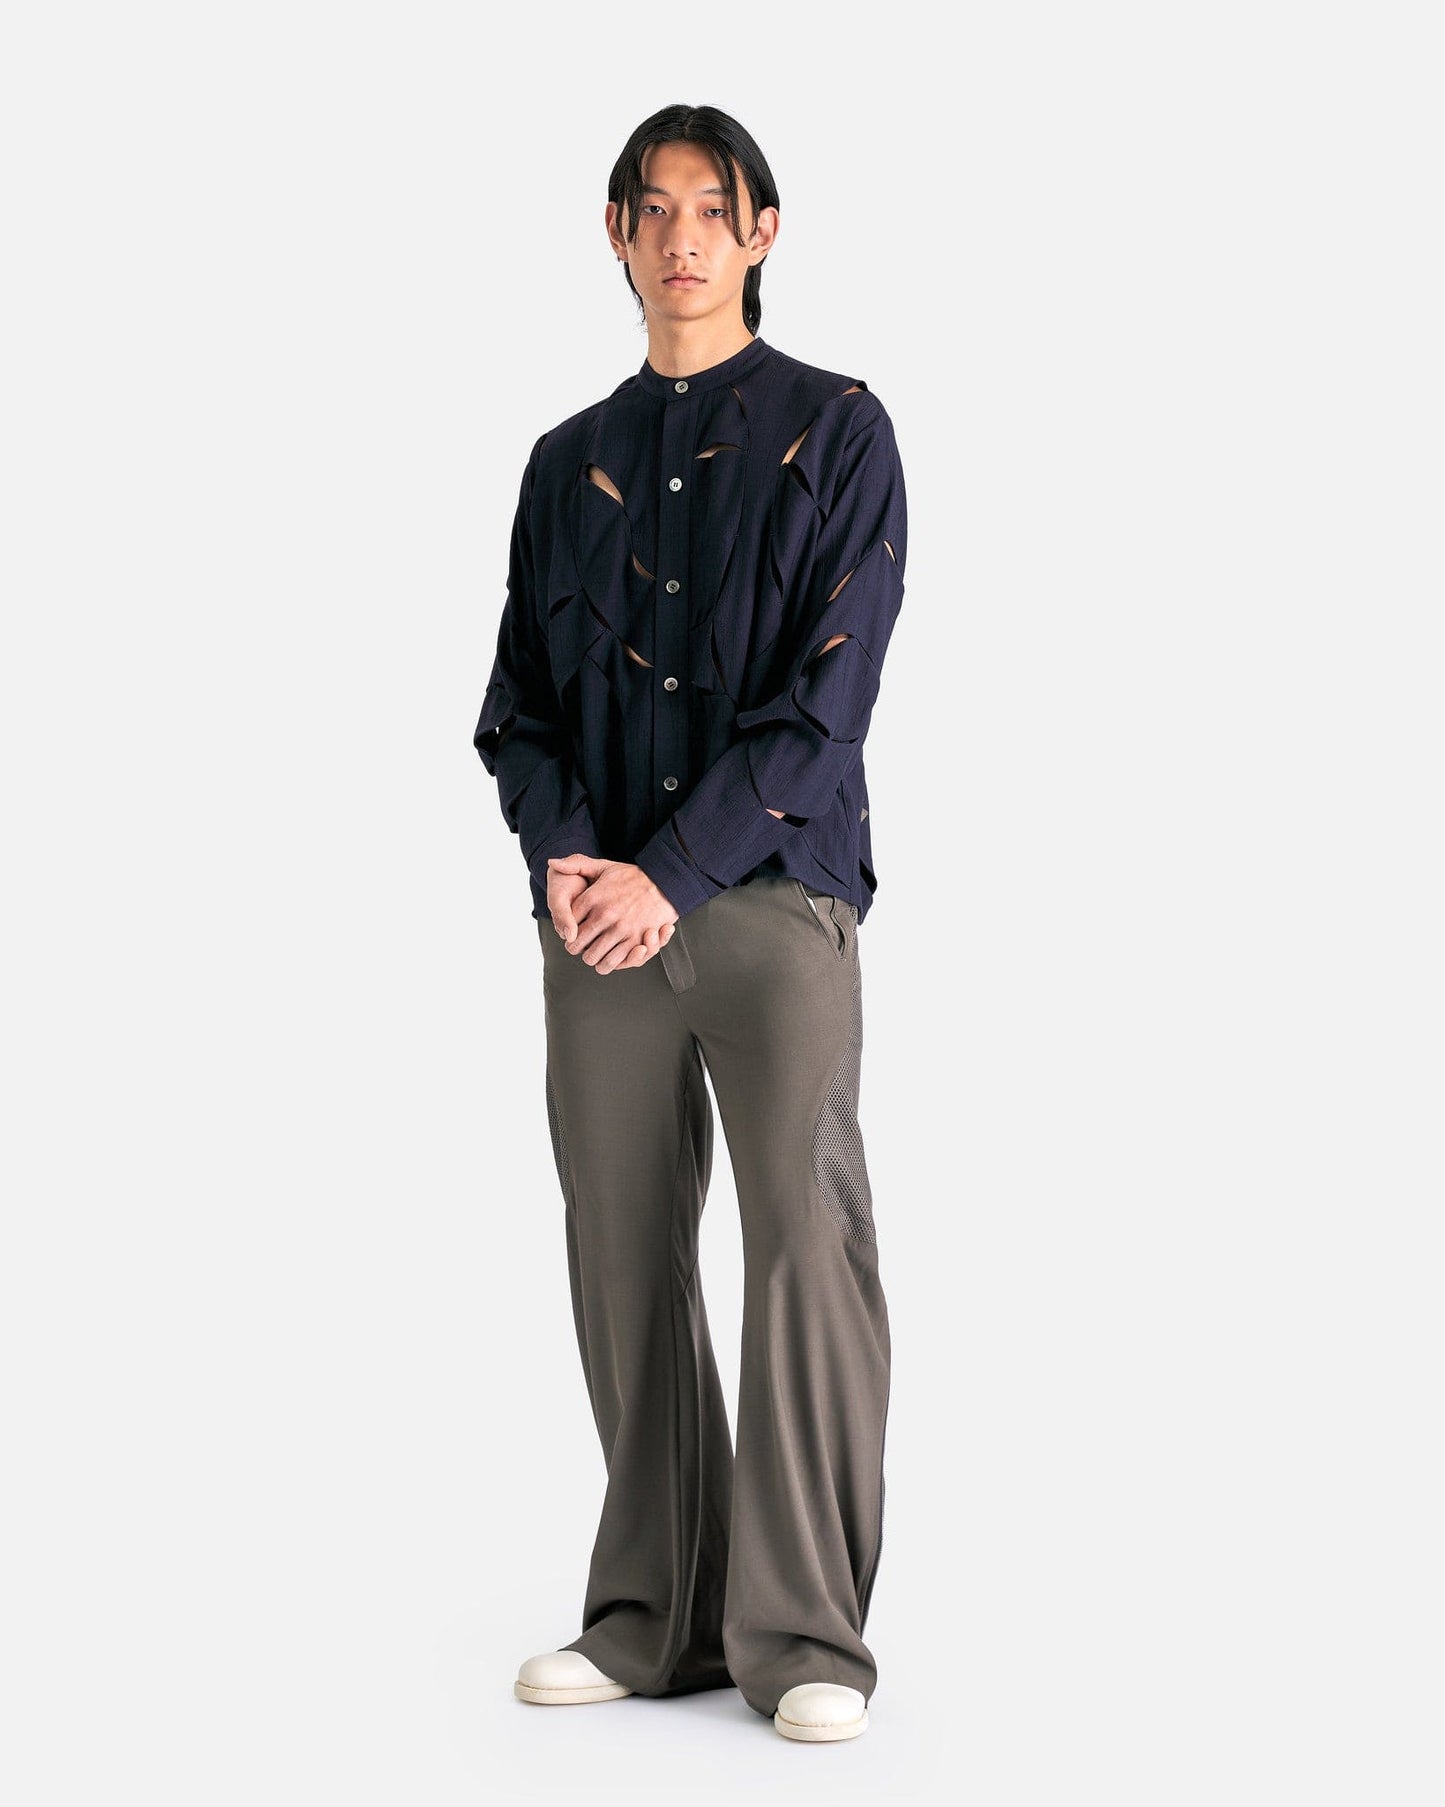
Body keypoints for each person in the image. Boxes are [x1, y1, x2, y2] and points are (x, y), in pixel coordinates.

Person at [472, 101, 907, 1743]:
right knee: (618, 1248)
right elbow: (515, 709)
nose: (680, 238)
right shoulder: (559, 463)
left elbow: (828, 704)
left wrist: (675, 871)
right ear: (613, 234)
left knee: (803, 1242)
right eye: (650, 210)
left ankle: (802, 1638)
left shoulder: (838, 430)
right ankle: (653, 1619)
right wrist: (572, 860)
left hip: (774, 904)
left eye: (711, 210)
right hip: (598, 926)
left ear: (761, 233)